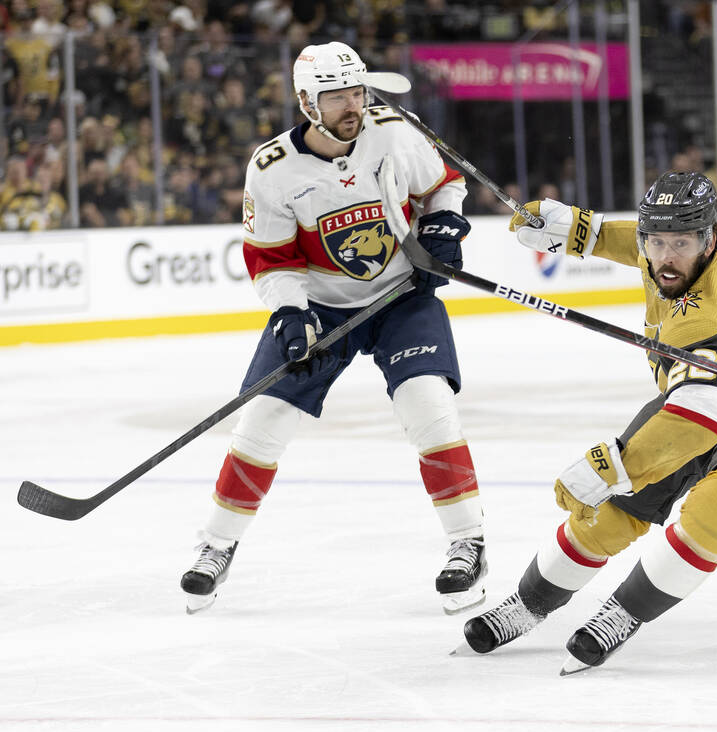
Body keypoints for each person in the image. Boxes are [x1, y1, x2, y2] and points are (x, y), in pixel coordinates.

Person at [455, 172, 717, 674]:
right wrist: (579, 229)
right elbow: (639, 241)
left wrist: (612, 466)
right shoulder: (682, 254)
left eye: (682, 243)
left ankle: (624, 613)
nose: (666, 257)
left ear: (708, 241)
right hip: (702, 394)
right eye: (658, 241)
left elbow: (698, 422)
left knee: (716, 510)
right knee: (608, 516)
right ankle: (528, 604)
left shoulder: (702, 314)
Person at [179, 41, 488, 616]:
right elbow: (271, 259)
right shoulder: (271, 168)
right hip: (320, 306)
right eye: (337, 94)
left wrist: (444, 225)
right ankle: (215, 546)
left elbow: (444, 183)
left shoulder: (392, 131)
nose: (353, 104)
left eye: (357, 90)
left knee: (428, 403)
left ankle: (467, 544)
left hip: (401, 294)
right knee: (263, 419)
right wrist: (291, 314)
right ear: (305, 101)